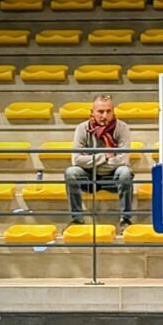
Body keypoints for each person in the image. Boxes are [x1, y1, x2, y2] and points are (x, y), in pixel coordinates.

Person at [64, 94, 134, 228]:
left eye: (108, 111)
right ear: (92, 113)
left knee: (125, 172)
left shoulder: (122, 128)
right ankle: (77, 219)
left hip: (113, 177)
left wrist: (91, 158)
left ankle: (125, 219)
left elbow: (123, 160)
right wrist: (107, 156)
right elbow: (77, 160)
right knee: (71, 172)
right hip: (89, 176)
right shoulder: (82, 128)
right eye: (100, 111)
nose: (105, 115)